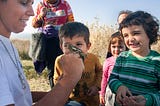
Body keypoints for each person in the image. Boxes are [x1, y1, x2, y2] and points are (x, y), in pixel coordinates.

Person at [0, 0, 84, 106]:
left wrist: (57, 94)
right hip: (48, 44)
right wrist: (69, 79)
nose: (32, 12)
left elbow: (19, 95)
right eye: (24, 2)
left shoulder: (8, 46)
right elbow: (35, 23)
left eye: (31, 3)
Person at [109, 11, 160, 106]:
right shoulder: (122, 57)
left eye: (136, 33)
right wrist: (119, 87)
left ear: (150, 34)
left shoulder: (157, 61)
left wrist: (147, 100)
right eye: (126, 35)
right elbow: (112, 78)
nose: (130, 39)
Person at [54, 22, 102, 106]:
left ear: (88, 46)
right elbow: (56, 80)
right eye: (67, 45)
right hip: (70, 100)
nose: (73, 49)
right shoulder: (60, 61)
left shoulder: (93, 59)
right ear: (61, 47)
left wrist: (96, 86)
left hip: (91, 100)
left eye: (78, 44)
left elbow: (100, 71)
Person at [31, 0, 74, 88]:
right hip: (48, 43)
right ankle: (54, 95)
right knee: (52, 69)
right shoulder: (41, 5)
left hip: (62, 42)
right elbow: (34, 24)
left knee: (65, 69)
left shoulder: (64, 4)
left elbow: (71, 23)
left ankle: (66, 95)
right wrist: (41, 15)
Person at [99, 31, 126, 106]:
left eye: (120, 47)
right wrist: (102, 93)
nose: (116, 50)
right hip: (110, 92)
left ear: (125, 47)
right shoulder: (108, 61)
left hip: (125, 92)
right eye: (114, 47)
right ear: (109, 47)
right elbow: (104, 78)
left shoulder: (128, 61)